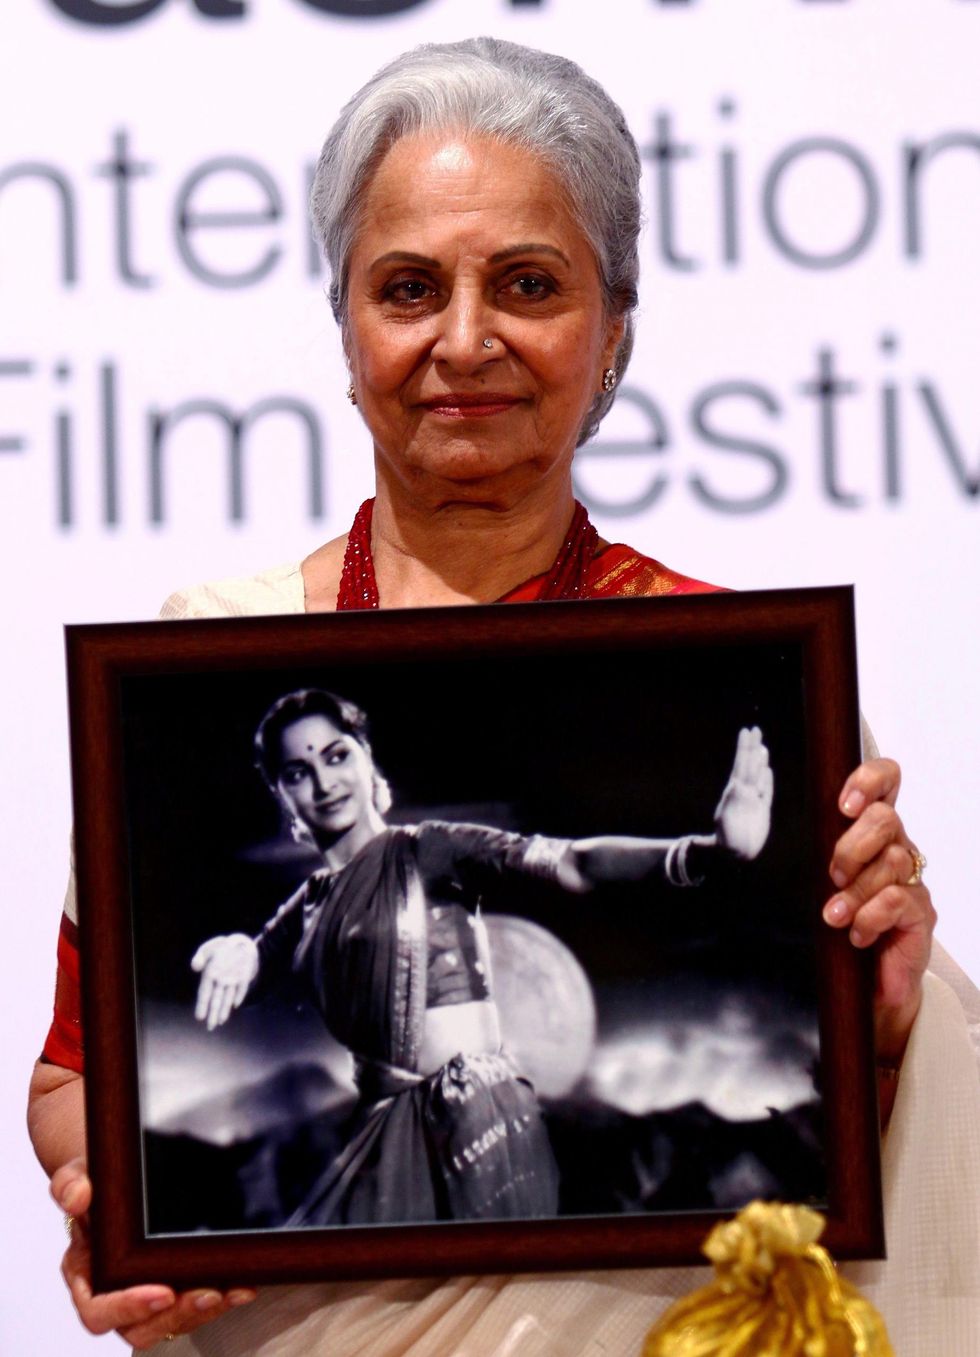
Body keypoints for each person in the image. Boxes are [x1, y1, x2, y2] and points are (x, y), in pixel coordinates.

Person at [27, 36, 979, 1357]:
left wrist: (880, 1014)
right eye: (408, 288)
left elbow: (592, 881)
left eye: (528, 285)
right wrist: (120, 1208)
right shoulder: (199, 656)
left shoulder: (745, 673)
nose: (465, 340)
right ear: (346, 328)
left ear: (612, 332)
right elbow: (72, 1079)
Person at [190, 688, 772, 1228]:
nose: (323, 782)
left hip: (476, 1120)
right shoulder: (310, 903)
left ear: (367, 760)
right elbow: (255, 964)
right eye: (298, 772)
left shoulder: (428, 849)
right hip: (384, 1137)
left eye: (337, 756)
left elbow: (573, 862)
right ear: (281, 794)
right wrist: (237, 949)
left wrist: (705, 852)